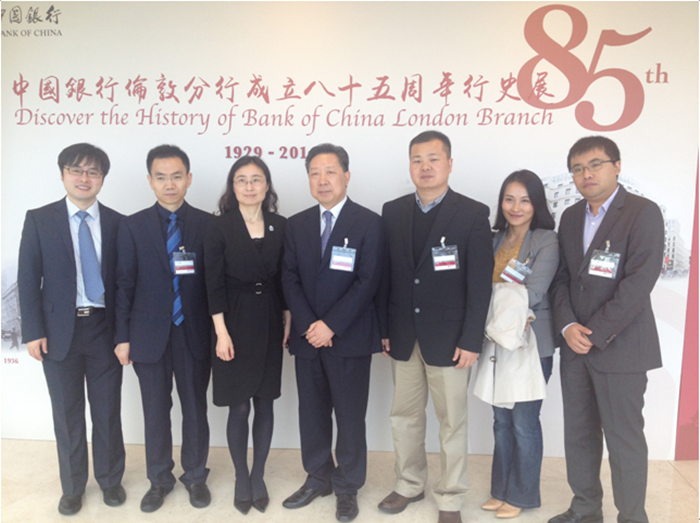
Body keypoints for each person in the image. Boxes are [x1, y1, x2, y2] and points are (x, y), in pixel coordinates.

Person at [377, 130, 493, 523]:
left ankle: (451, 498)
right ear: (410, 165)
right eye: (417, 160)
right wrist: (384, 327)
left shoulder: (473, 213)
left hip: (451, 339)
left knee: (452, 423)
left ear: (449, 164)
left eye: (433, 159)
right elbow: (387, 276)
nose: (425, 167)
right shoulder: (392, 211)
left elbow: (479, 284)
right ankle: (409, 483)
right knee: (404, 416)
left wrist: (472, 338)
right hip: (403, 334)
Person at [549, 136, 664, 523]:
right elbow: (562, 278)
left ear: (617, 166)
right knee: (579, 435)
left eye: (595, 164)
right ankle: (585, 509)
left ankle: (631, 516)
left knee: (623, 439)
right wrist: (567, 325)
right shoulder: (569, 217)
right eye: (578, 168)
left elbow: (639, 282)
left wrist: (593, 333)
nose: (586, 174)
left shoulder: (643, 212)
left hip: (621, 348)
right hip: (574, 349)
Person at [17, 143, 126, 515]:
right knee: (67, 414)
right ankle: (73, 487)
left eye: (93, 172)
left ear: (102, 178)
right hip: (57, 331)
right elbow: (28, 278)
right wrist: (33, 330)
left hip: (104, 329)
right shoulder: (40, 219)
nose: (84, 178)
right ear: (63, 173)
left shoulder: (118, 222)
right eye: (76, 170)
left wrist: (124, 334)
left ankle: (110, 481)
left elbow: (124, 283)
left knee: (107, 411)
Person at [281, 143, 384, 522]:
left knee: (350, 418)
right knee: (312, 414)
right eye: (314, 173)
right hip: (308, 339)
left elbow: (368, 281)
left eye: (330, 172)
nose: (322, 180)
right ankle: (318, 477)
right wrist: (311, 326)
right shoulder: (296, 224)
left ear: (346, 176)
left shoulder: (369, 222)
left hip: (349, 339)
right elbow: (288, 278)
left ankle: (348, 486)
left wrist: (331, 326)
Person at [114, 145, 212, 513]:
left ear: (189, 179)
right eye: (161, 177)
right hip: (147, 336)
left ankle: (196, 476)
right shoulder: (132, 226)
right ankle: (159, 479)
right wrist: (122, 337)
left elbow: (215, 285)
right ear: (150, 181)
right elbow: (123, 284)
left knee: (195, 408)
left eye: (176, 176)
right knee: (155, 411)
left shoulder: (208, 224)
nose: (169, 184)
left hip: (194, 333)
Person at [204, 156, 290, 515]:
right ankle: (242, 476)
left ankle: (258, 475)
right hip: (233, 322)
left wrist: (288, 316)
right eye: (242, 180)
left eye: (257, 179)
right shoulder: (218, 227)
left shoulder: (280, 225)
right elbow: (212, 284)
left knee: (265, 402)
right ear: (232, 186)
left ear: (266, 185)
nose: (250, 186)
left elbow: (285, 277)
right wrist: (221, 333)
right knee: (239, 405)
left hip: (269, 318)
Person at [479, 170, 559, 519]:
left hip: (531, 343)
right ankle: (500, 490)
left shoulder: (546, 240)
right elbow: (478, 286)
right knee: (501, 420)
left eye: (525, 200)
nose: (516, 207)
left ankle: (522, 494)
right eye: (509, 199)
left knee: (524, 423)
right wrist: (505, 300)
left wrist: (496, 301)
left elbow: (534, 292)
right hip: (496, 343)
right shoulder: (493, 239)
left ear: (536, 204)